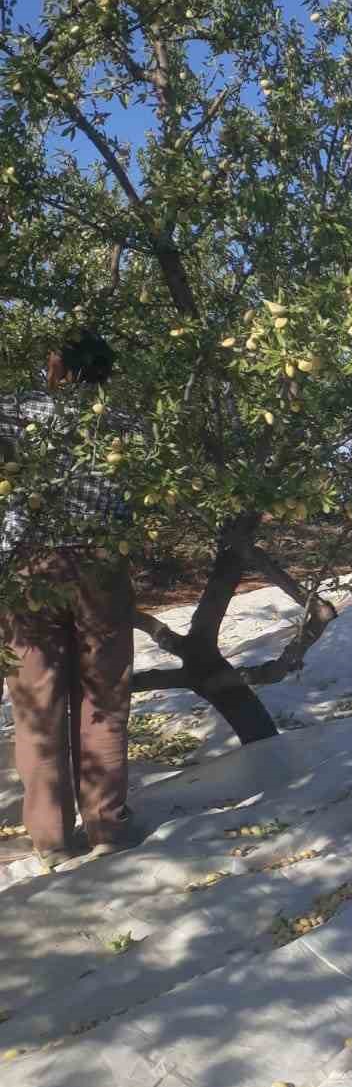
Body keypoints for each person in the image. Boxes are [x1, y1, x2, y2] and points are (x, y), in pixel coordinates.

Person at [0, 332, 138, 870]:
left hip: (29, 567)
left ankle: (49, 840)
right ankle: (106, 826)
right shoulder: (127, 422)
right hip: (101, 562)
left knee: (37, 702)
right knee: (103, 698)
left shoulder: (15, 411)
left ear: (58, 364)